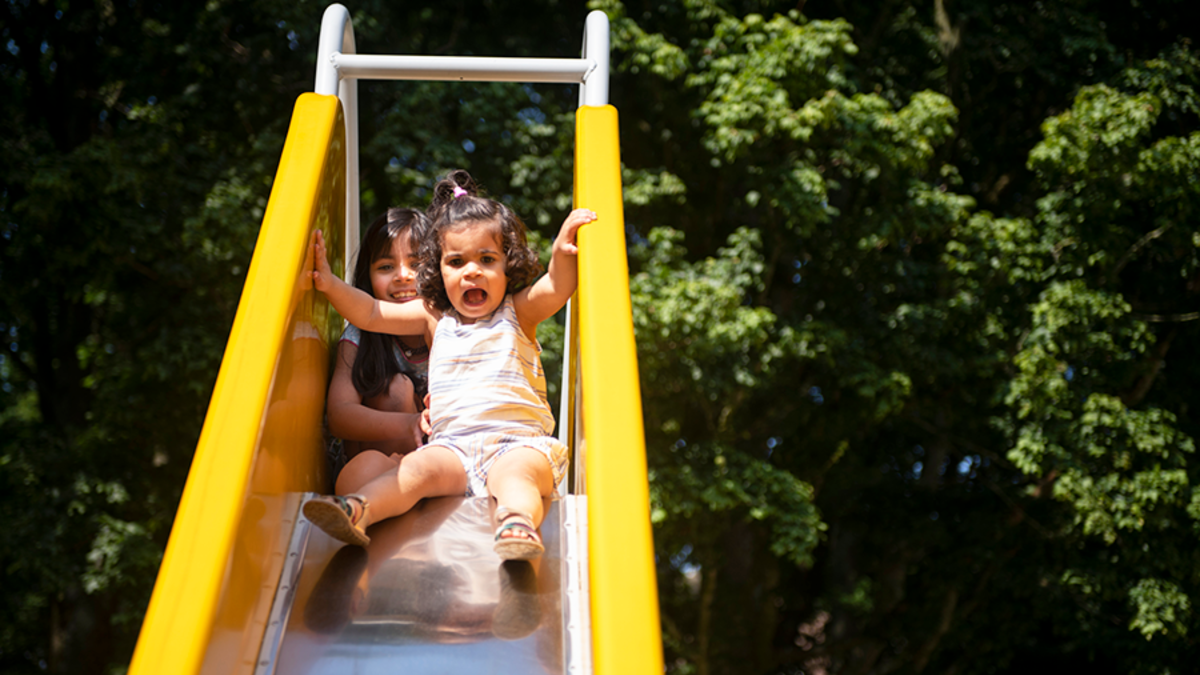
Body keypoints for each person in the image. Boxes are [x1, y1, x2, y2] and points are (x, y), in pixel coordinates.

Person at [304, 169, 596, 560]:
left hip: (516, 443)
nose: (471, 270)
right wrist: (329, 284)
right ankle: (358, 509)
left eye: (487, 259)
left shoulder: (518, 313)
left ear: (508, 266)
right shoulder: (433, 319)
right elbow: (371, 312)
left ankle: (517, 524)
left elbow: (557, 287)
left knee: (516, 478)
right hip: (453, 449)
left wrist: (562, 250)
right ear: (439, 272)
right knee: (413, 473)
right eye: (456, 262)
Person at [325, 208, 430, 492]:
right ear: (367, 277)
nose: (403, 276)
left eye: (416, 264)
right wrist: (408, 423)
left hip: (435, 462)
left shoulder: (449, 328)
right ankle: (387, 484)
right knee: (394, 389)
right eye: (386, 267)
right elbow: (339, 415)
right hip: (372, 463)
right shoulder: (361, 336)